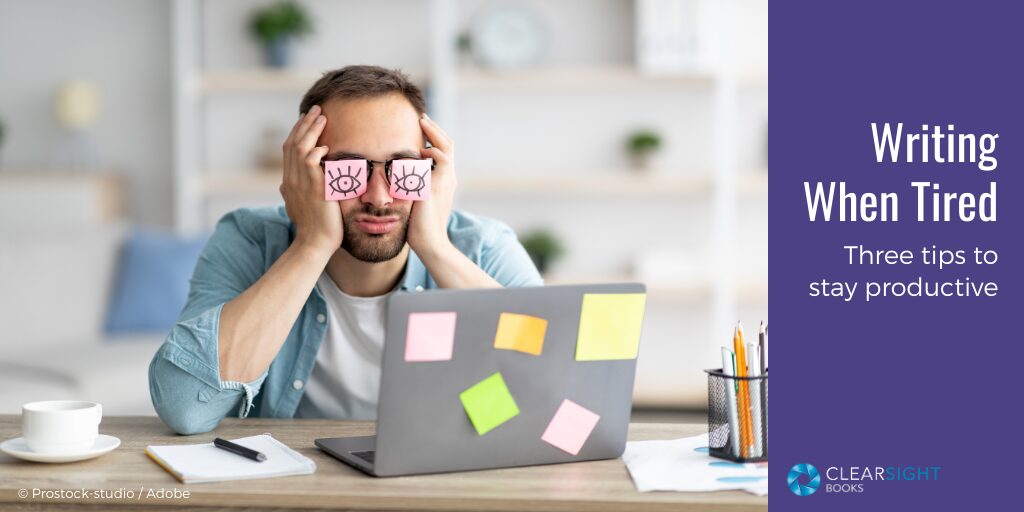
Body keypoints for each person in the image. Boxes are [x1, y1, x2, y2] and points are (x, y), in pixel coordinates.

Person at [149, 65, 542, 435]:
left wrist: (435, 247)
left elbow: (548, 388)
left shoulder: (482, 247)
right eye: (346, 170)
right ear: (302, 173)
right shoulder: (250, 240)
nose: (379, 197)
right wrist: (311, 245)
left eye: (402, 167)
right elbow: (187, 408)